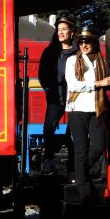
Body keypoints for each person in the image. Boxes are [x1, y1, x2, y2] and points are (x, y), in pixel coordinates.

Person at [65, 26, 110, 205]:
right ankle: (85, 192)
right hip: (77, 108)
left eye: (88, 41)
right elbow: (74, 85)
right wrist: (99, 82)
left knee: (99, 144)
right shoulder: (71, 61)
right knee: (81, 149)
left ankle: (78, 173)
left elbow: (108, 81)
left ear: (94, 43)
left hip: (96, 108)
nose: (84, 45)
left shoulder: (101, 61)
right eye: (82, 42)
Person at [38, 17, 78, 176]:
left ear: (72, 32)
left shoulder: (78, 51)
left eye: (64, 29)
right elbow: (42, 73)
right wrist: (48, 88)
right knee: (48, 129)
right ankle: (48, 161)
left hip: (75, 98)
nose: (60, 32)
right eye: (58, 29)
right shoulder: (49, 51)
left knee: (73, 133)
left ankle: (73, 169)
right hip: (56, 98)